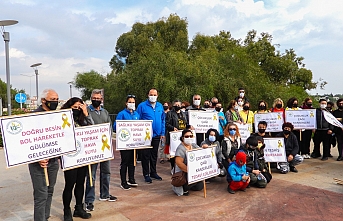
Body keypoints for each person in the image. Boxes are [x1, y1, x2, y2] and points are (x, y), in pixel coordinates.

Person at [29, 89, 59, 221]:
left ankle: (45, 217)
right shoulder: (33, 116)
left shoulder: (57, 116)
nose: (56, 102)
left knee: (50, 191)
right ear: (43, 100)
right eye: (53, 100)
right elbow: (27, 140)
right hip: (38, 164)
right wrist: (37, 158)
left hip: (53, 162)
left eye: (57, 99)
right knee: (41, 195)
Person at [61, 97, 93, 220]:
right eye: (74, 107)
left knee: (80, 183)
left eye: (79, 107)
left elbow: (93, 129)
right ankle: (66, 210)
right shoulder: (63, 120)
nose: (77, 110)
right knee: (70, 184)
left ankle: (79, 208)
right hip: (70, 157)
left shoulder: (83, 119)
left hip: (82, 156)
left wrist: (86, 113)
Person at [85, 89, 117, 212]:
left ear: (101, 99)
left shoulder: (105, 112)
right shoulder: (87, 111)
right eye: (94, 98)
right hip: (92, 149)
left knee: (106, 172)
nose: (96, 100)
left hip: (104, 148)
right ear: (91, 98)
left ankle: (105, 194)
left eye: (98, 98)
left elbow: (109, 128)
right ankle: (89, 200)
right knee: (91, 175)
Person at [136, 88, 165, 183]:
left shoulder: (160, 106)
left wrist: (162, 132)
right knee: (145, 155)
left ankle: (153, 172)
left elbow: (163, 120)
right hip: (146, 136)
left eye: (154, 95)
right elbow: (137, 119)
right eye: (151, 94)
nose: (153, 96)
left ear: (157, 95)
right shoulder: (142, 106)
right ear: (148, 95)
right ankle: (146, 174)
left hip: (157, 135)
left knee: (154, 155)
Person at [113, 95, 140, 190]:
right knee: (125, 161)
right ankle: (123, 181)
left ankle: (131, 179)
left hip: (134, 142)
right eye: (130, 102)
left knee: (133, 161)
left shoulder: (137, 114)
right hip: (124, 143)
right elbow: (115, 126)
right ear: (126, 103)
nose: (132, 104)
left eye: (133, 102)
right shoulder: (122, 114)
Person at [172, 129, 206, 196]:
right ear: (182, 138)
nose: (189, 138)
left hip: (192, 170)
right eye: (187, 136)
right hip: (183, 172)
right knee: (183, 190)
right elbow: (179, 163)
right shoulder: (180, 148)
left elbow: (200, 151)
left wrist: (204, 147)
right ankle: (183, 187)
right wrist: (191, 172)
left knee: (200, 186)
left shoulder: (193, 145)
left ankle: (190, 185)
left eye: (191, 136)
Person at [165, 99, 190, 170]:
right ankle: (173, 168)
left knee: (181, 151)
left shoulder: (183, 113)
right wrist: (173, 128)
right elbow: (167, 124)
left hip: (182, 135)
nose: (177, 106)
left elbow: (186, 123)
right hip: (173, 136)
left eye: (179, 105)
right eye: (176, 105)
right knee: (173, 153)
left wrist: (189, 126)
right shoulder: (170, 113)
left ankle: (181, 167)